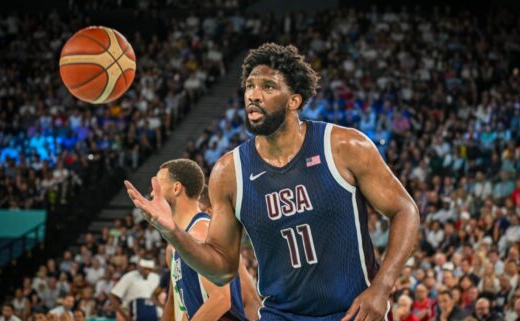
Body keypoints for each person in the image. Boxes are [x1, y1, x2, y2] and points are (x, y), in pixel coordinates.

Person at [125, 43, 420, 320]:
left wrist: (383, 287)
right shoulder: (229, 172)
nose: (253, 94)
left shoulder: (344, 146)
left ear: (294, 100)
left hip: (352, 312)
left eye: (268, 86)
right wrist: (173, 231)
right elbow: (222, 270)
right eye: (250, 85)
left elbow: (405, 210)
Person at [154, 159, 261, 321]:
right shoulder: (181, 241)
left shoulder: (202, 231)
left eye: (158, 184)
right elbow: (185, 307)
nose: (152, 193)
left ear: (176, 188)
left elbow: (221, 299)